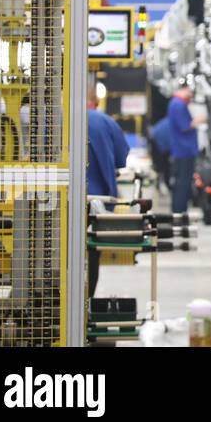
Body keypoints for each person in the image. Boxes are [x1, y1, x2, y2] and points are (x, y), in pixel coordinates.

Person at [86, 85, 129, 299]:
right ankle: (86, 306)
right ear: (95, 102)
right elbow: (122, 158)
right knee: (90, 252)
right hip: (97, 202)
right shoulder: (105, 121)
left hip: (57, 201)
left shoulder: (56, 120)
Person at [168, 81, 205, 215]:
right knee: (183, 182)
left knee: (180, 181)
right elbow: (184, 126)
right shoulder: (178, 105)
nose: (191, 95)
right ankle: (179, 210)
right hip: (184, 150)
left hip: (181, 149)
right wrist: (199, 120)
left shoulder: (176, 104)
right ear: (184, 90)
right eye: (190, 92)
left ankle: (178, 209)